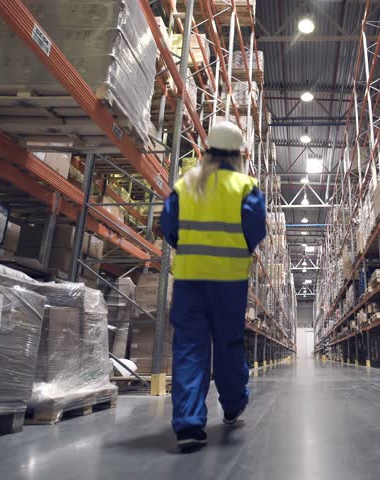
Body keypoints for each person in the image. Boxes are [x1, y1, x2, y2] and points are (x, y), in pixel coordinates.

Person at [160, 121, 266, 450]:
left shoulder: (186, 183)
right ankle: (232, 405)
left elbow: (169, 226)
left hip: (190, 279)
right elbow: (256, 229)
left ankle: (189, 425)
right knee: (229, 344)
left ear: (206, 153)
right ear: (237, 156)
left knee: (190, 348)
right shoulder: (245, 186)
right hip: (229, 282)